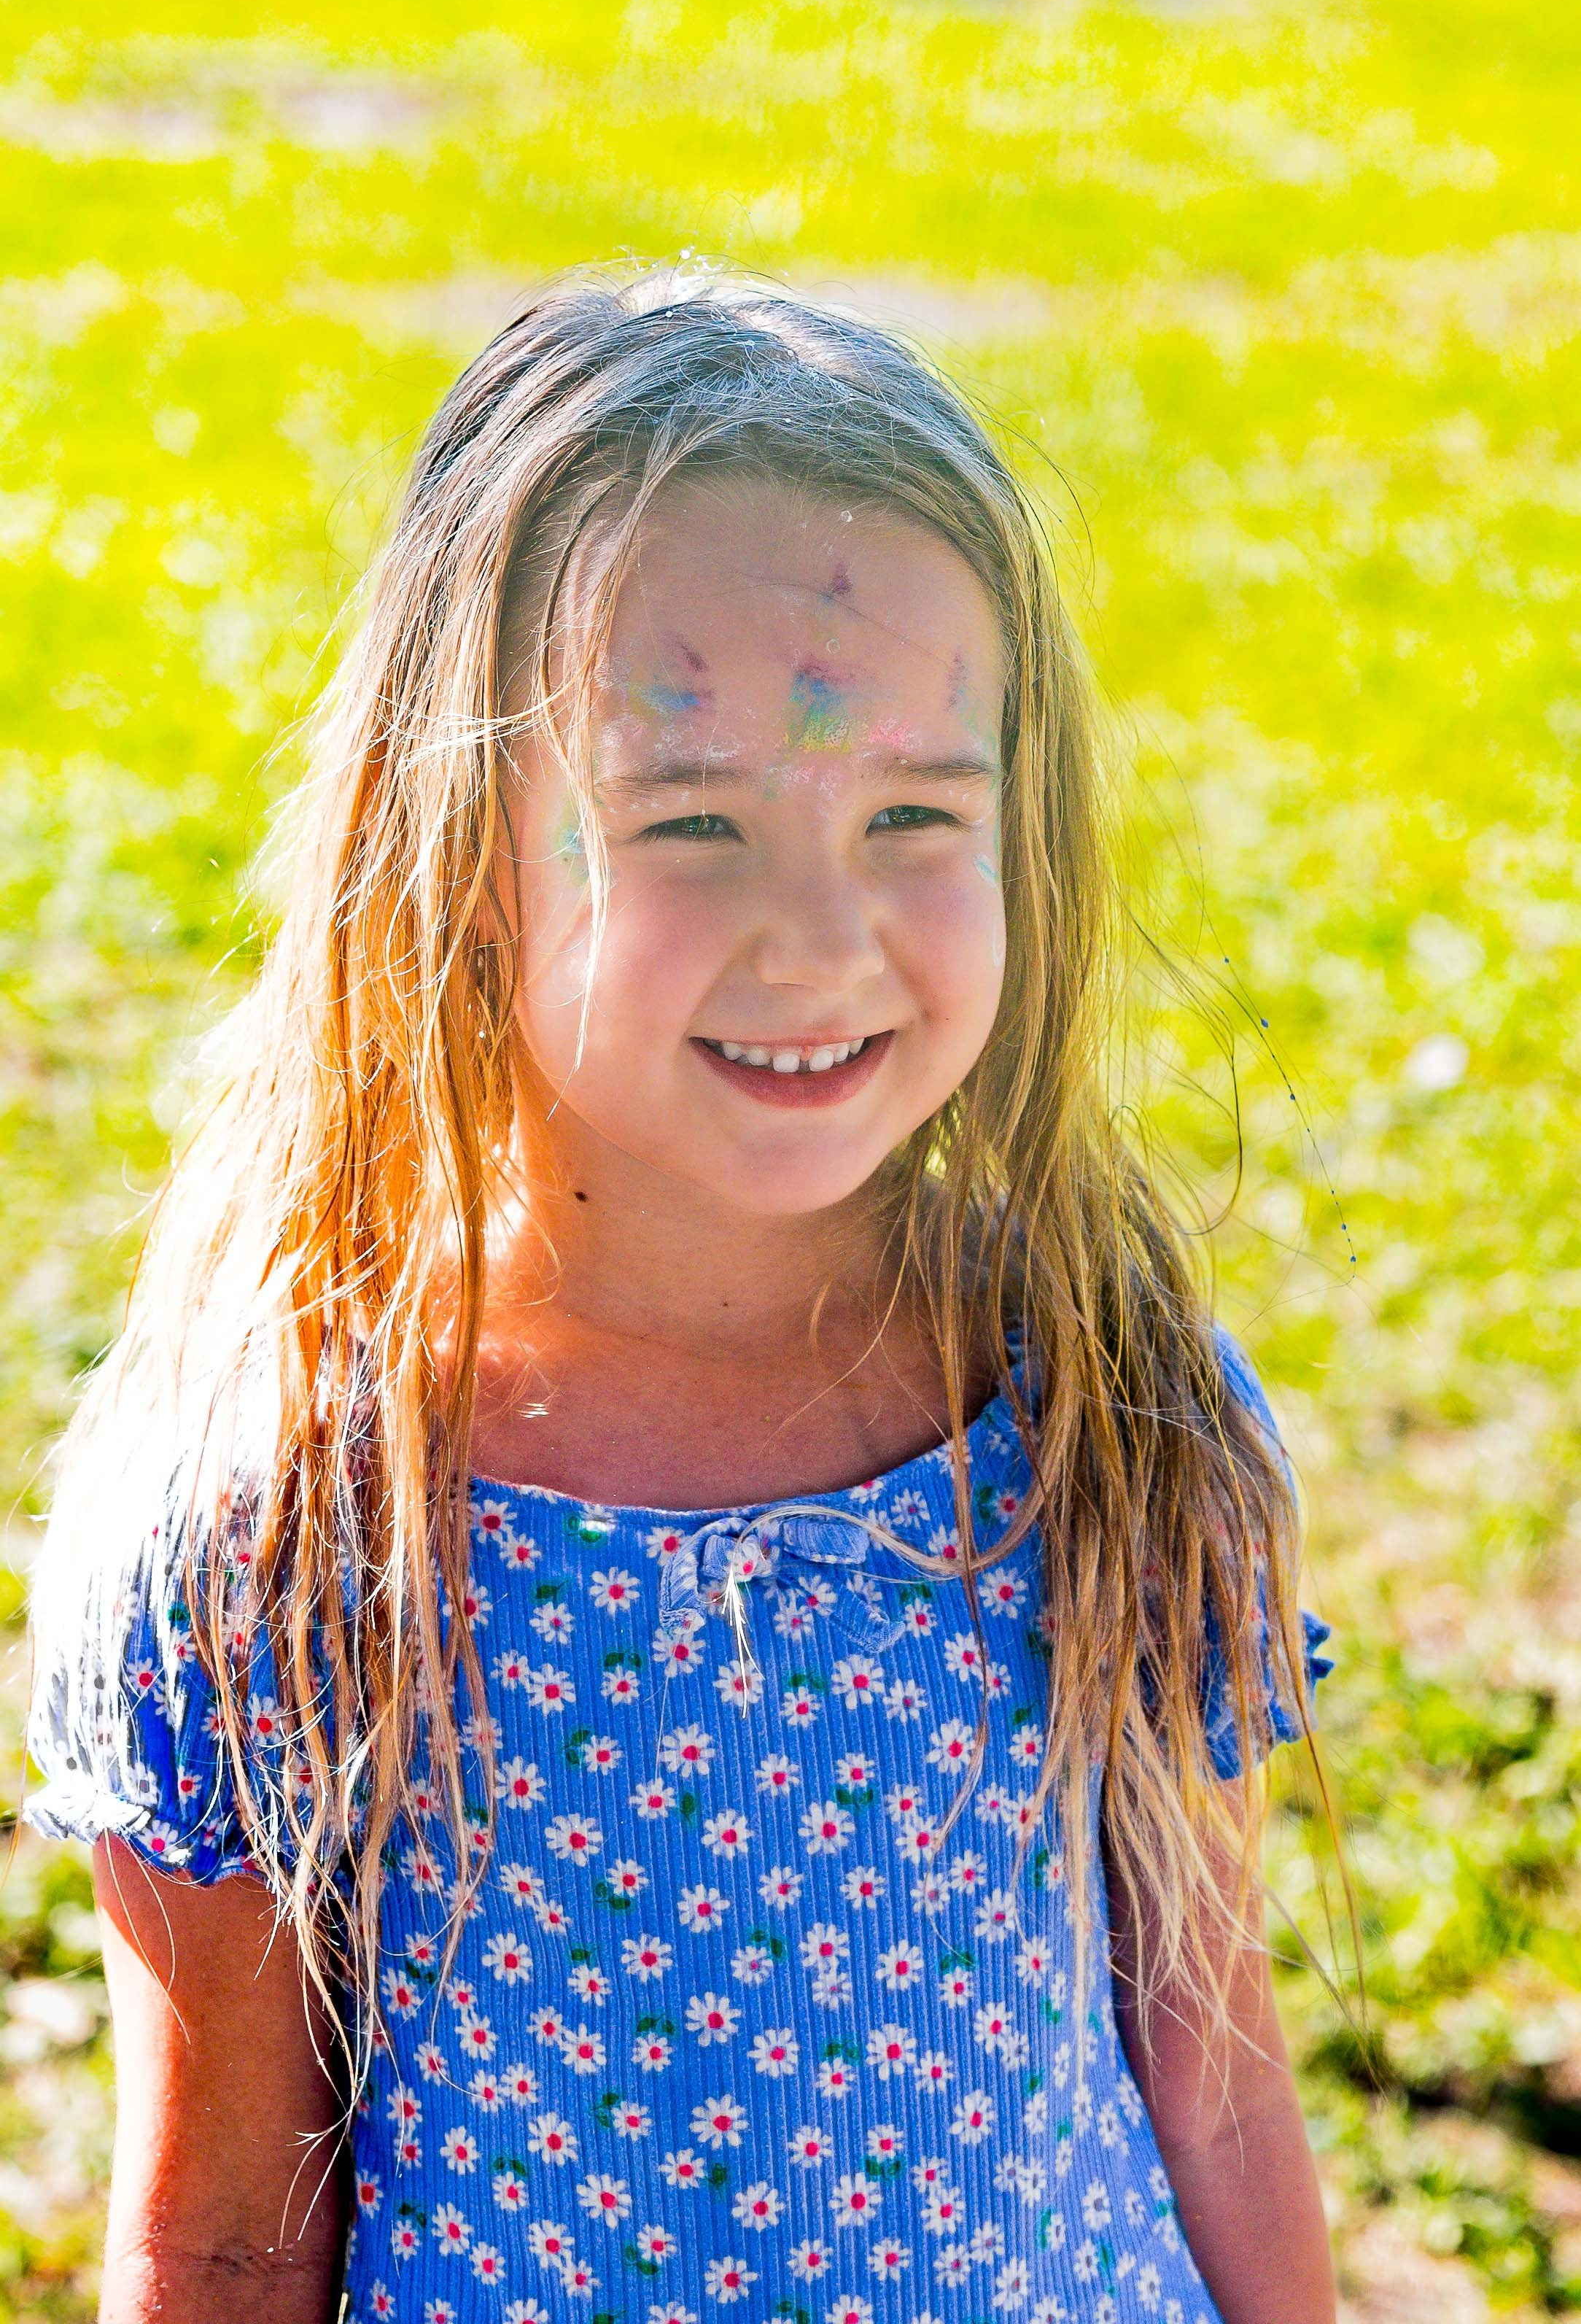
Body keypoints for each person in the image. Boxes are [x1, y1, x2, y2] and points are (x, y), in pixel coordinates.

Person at [24, 260, 1339, 2324]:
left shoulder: (1103, 1403)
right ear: (461, 854)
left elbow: (1217, 2071)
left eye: (913, 813)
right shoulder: (284, 1513)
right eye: (692, 820)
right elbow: (212, 2239)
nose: (817, 936)